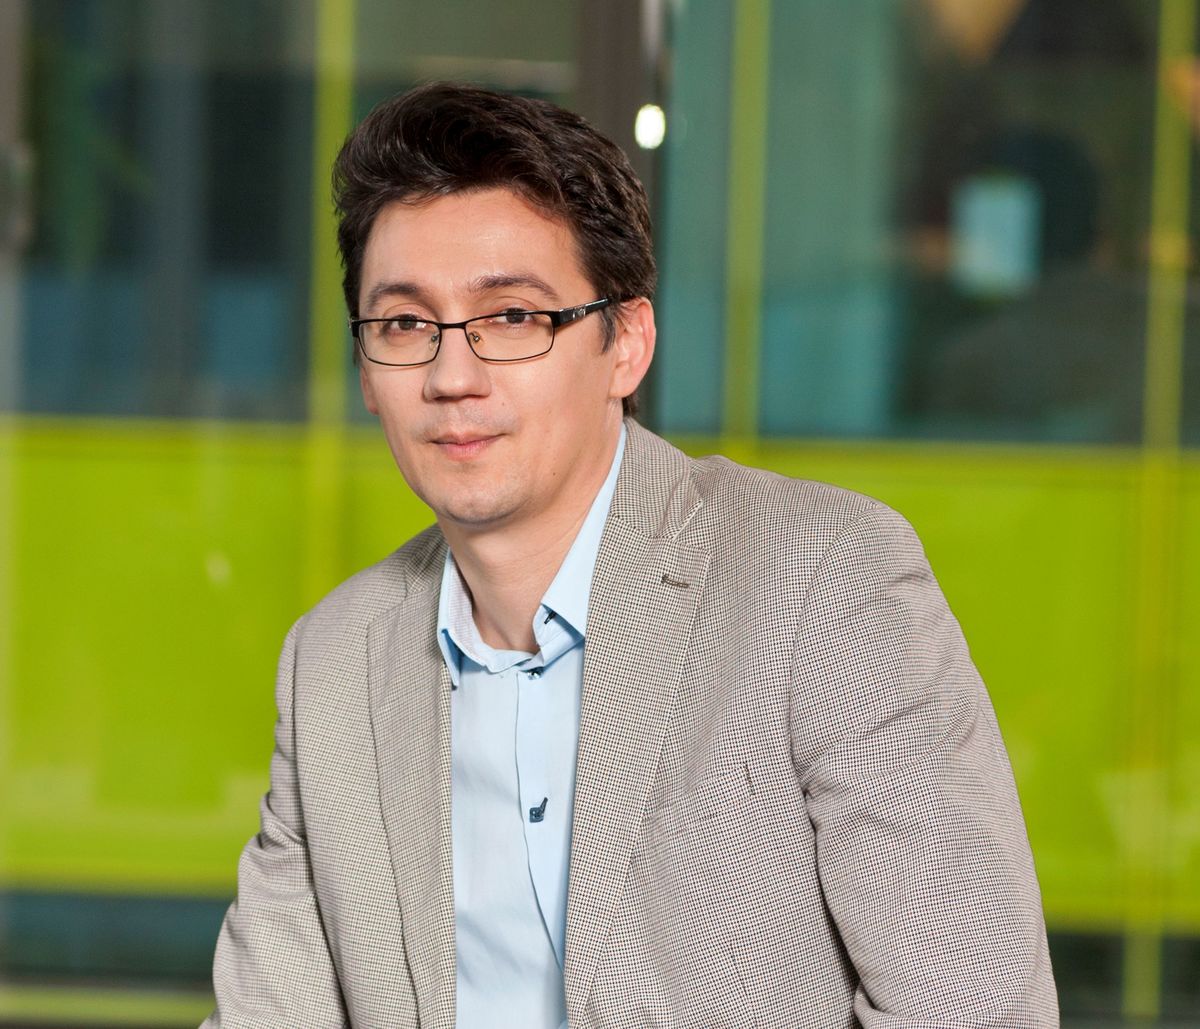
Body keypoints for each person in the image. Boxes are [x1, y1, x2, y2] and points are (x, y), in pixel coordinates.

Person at [204, 82, 1057, 1028]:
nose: (451, 375)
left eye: (513, 317)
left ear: (627, 343)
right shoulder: (332, 660)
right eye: (405, 324)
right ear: (367, 369)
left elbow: (976, 1008)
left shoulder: (820, 578)